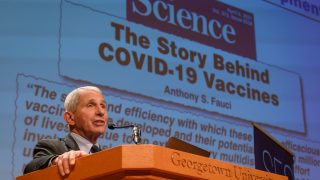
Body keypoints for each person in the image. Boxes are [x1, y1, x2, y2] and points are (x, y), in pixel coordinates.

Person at [23, 86, 108, 177]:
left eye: (103, 106)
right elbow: (30, 169)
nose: (101, 112)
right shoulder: (52, 146)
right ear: (70, 118)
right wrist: (56, 160)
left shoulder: (109, 157)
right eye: (90, 105)